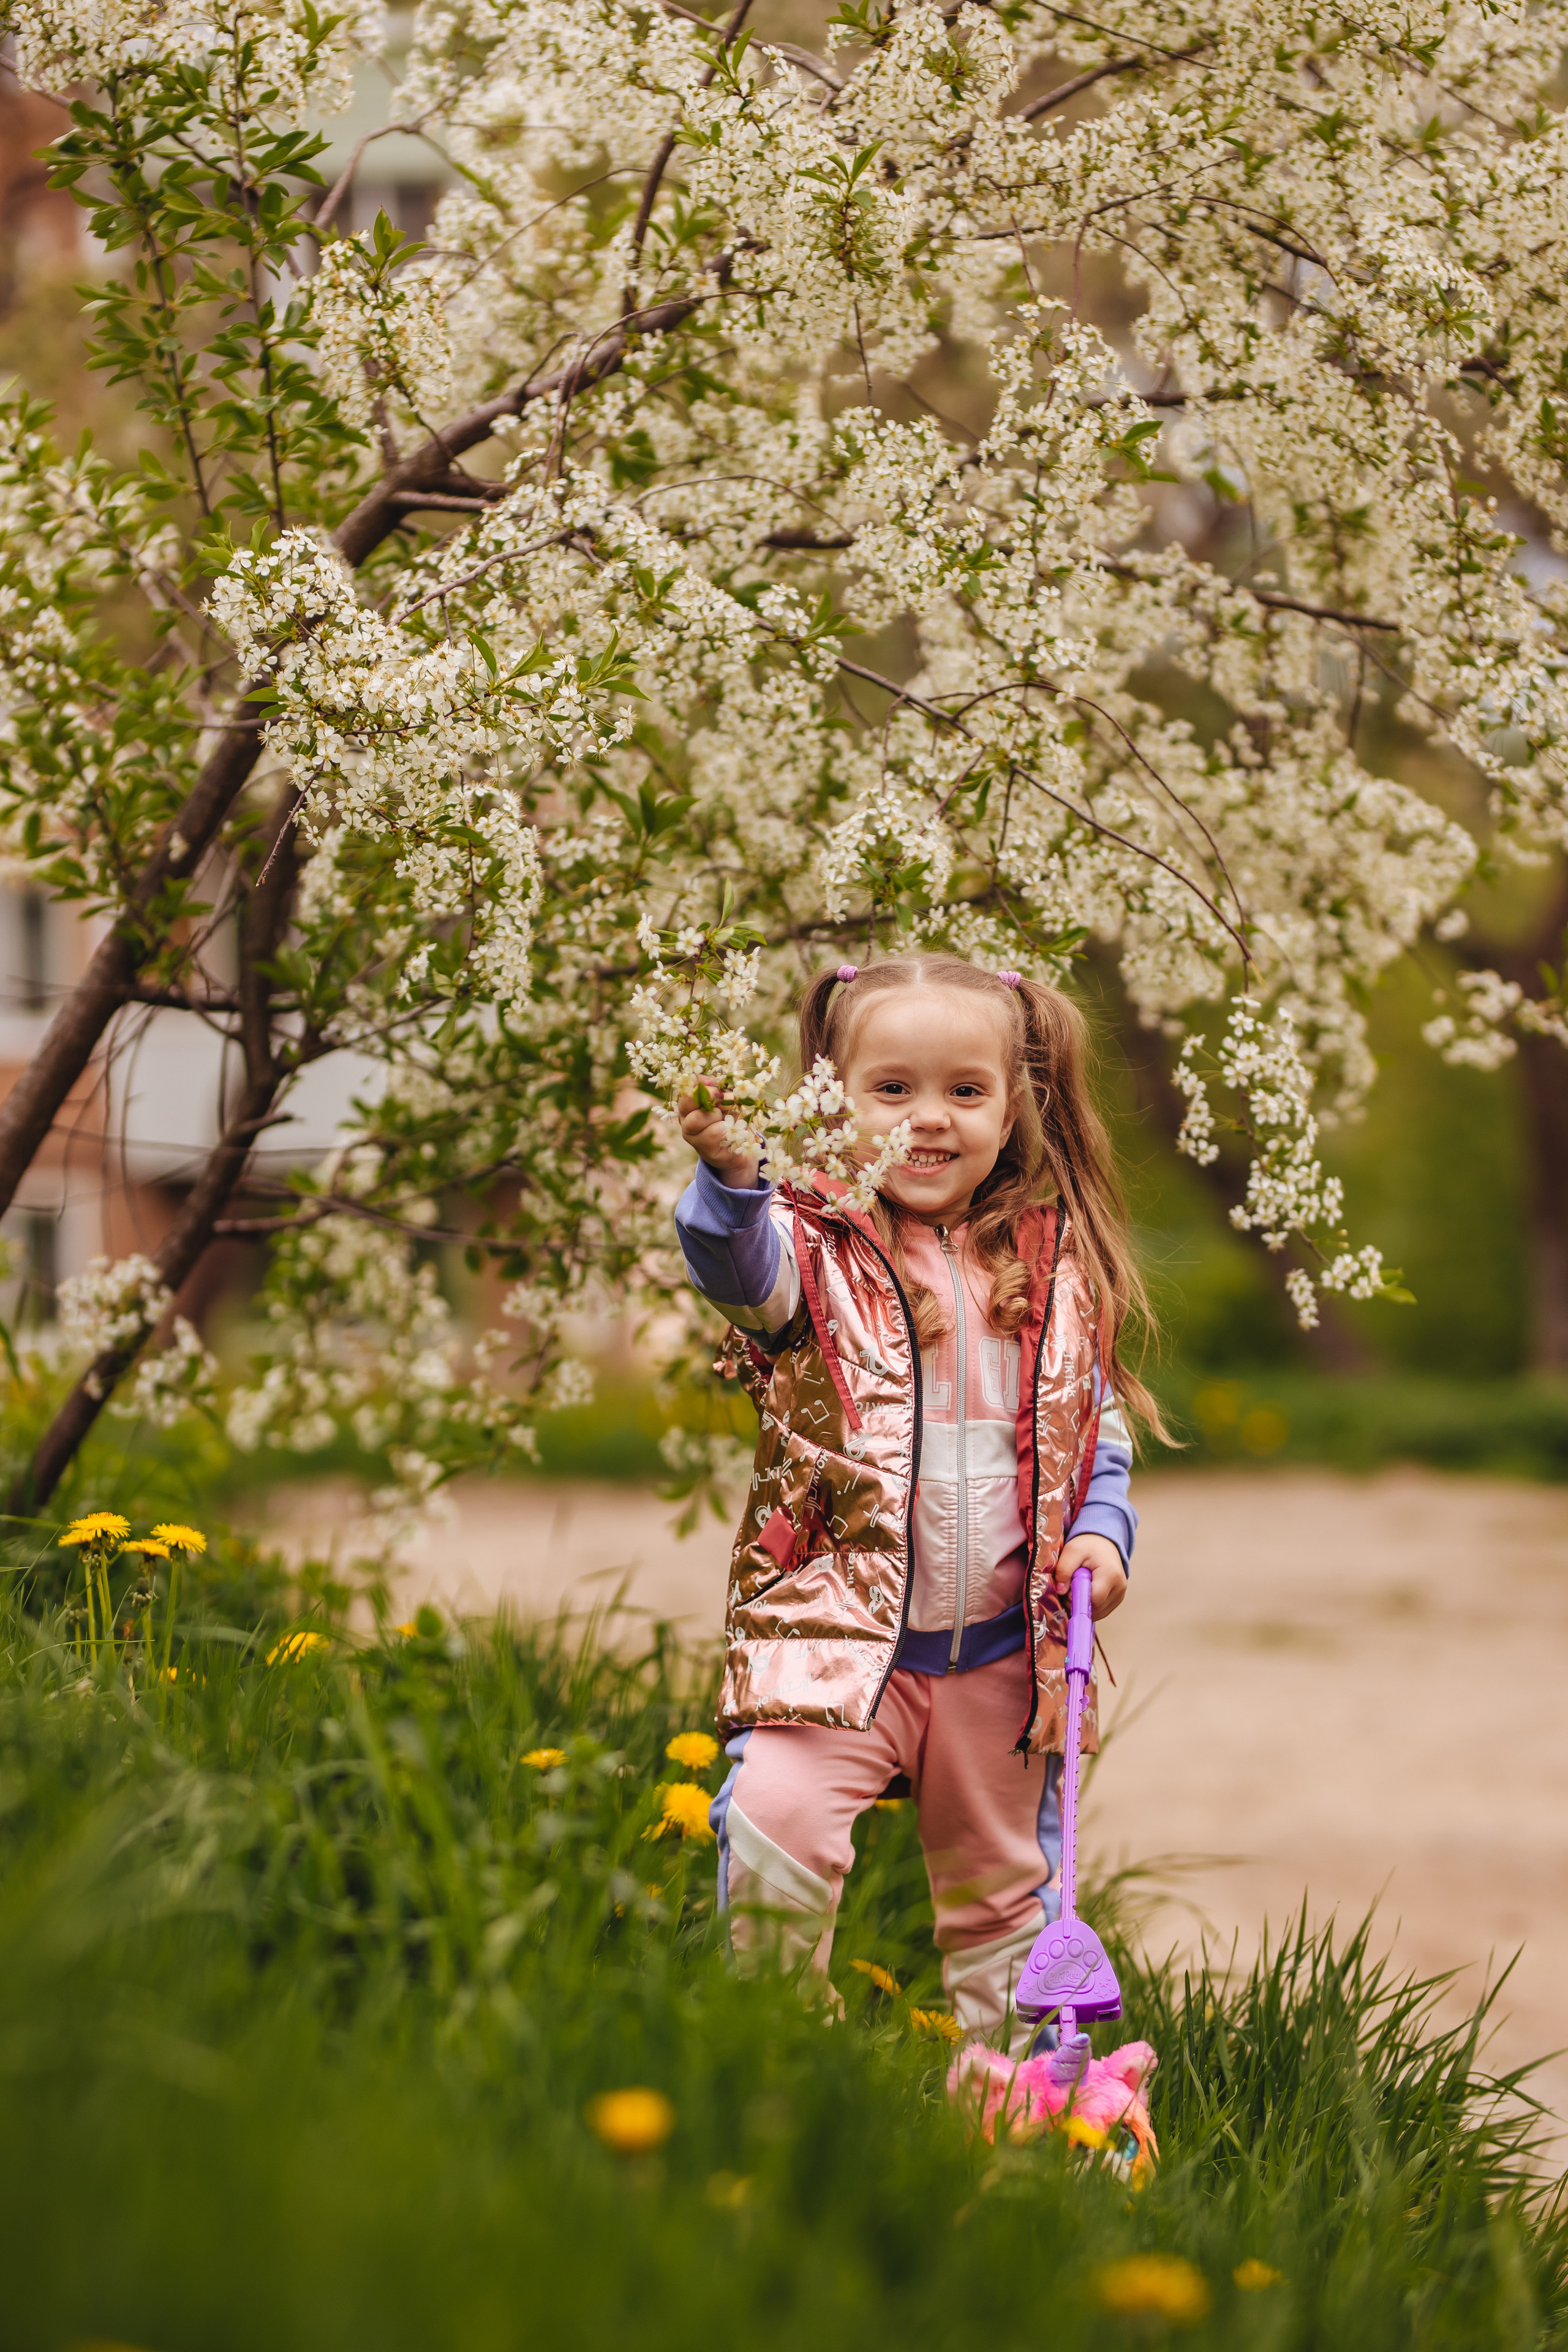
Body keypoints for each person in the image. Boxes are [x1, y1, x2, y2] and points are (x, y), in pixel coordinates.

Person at [674, 952, 1163, 2049]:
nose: (927, 1119)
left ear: (1014, 1107)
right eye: (890, 1090)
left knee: (1004, 1894)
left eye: (964, 1091)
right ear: (833, 1098)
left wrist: (1100, 1530)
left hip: (1000, 1654)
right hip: (840, 1645)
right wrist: (729, 1175)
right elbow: (729, 1262)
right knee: (776, 1822)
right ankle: (773, 2047)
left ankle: (1024, 2102)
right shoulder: (808, 1248)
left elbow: (1096, 1430)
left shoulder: (1054, 1263)